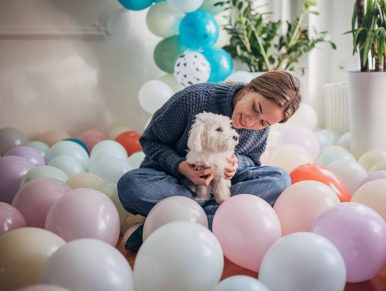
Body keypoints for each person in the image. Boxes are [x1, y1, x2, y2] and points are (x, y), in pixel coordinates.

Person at [117, 70, 301, 251]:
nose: (251, 122)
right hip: (173, 181)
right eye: (255, 108)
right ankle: (216, 219)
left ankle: (166, 221)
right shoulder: (194, 99)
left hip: (220, 186)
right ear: (248, 89)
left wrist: (237, 163)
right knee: (130, 185)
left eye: (263, 123)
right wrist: (179, 166)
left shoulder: (261, 126)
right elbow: (150, 140)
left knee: (280, 179)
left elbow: (252, 161)